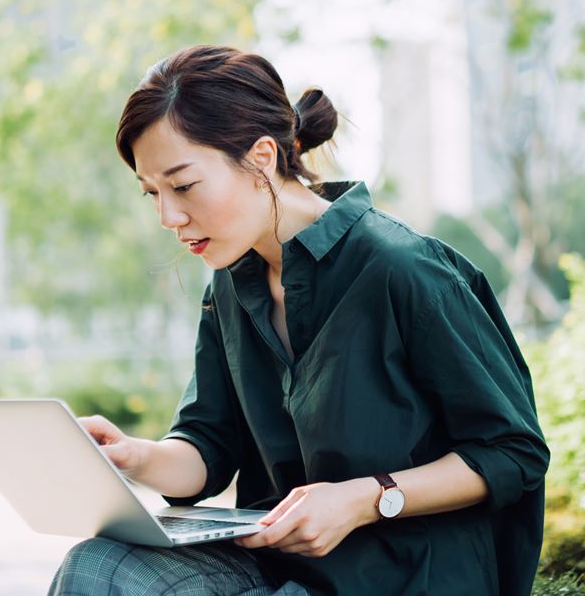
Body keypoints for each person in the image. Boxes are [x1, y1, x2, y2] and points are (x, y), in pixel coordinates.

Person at [48, 44, 549, 596]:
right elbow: (207, 447)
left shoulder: (404, 269)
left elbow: (513, 452)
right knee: (98, 567)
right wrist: (132, 456)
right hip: (280, 568)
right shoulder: (231, 283)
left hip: (409, 573)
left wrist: (365, 499)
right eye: (152, 194)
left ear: (262, 156)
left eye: (184, 185)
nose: (169, 216)